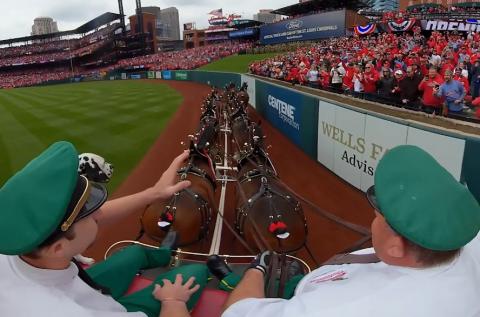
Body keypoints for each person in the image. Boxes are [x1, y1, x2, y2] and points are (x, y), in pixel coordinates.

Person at [219, 145, 480, 317]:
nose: (373, 220)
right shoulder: (467, 246)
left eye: (378, 216)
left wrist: (257, 269)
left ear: (395, 247)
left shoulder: (339, 309)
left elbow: (238, 312)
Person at [0, 141, 208, 317]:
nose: (99, 214)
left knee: (135, 251)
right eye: (90, 215)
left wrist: (153, 193)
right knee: (196, 272)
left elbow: (70, 223)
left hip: (70, 286)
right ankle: (167, 253)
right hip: (90, 306)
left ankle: (164, 251)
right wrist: (173, 301)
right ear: (58, 248)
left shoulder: (23, 240)